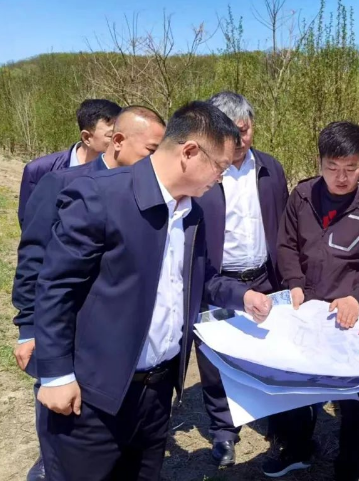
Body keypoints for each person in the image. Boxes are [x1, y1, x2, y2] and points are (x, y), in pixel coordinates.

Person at [33, 101, 272, 481]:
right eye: (220, 167)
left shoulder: (192, 214)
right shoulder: (100, 197)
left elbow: (202, 278)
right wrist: (57, 374)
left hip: (157, 393)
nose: (221, 178)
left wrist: (242, 296)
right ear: (189, 152)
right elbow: (56, 288)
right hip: (93, 396)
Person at [12, 105, 162, 481]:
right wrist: (28, 327)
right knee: (63, 419)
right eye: (150, 151)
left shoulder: (147, 196)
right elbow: (35, 261)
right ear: (117, 141)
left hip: (107, 342)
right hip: (64, 329)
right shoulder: (63, 183)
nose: (156, 161)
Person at [263, 121, 359, 480]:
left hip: (349, 318)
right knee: (297, 387)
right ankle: (297, 449)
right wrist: (294, 284)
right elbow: (286, 245)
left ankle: (349, 466)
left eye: (350, 168)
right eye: (332, 167)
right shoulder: (303, 195)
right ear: (320, 162)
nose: (340, 177)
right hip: (306, 312)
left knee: (352, 401)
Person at [194, 91, 289, 467]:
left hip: (265, 278)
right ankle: (223, 430)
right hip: (216, 280)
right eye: (231, 131)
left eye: (245, 129)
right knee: (215, 359)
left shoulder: (270, 168)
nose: (239, 139)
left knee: (272, 353)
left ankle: (279, 421)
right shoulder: (202, 172)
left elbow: (284, 224)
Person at [17, 99, 121, 228]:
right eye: (111, 136)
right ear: (87, 137)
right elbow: (30, 223)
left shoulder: (123, 171)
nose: (119, 141)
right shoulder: (40, 170)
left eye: (121, 135)